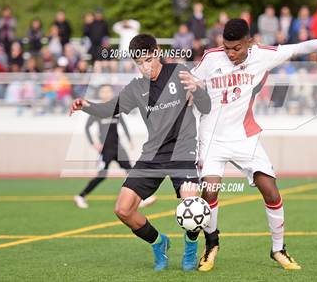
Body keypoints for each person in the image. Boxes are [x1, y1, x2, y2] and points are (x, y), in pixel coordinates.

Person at [191, 18, 317, 271]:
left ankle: (278, 249)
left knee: (270, 190)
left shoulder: (262, 55)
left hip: (245, 137)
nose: (230, 53)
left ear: (249, 43)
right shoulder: (211, 58)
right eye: (226, 47)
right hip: (211, 139)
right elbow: (191, 83)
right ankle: (211, 245)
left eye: (236, 48)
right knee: (210, 191)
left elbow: (297, 48)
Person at [69, 34, 211, 271]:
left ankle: (190, 248)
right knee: (123, 209)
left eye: (147, 60)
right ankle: (159, 243)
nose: (144, 67)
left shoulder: (179, 71)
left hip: (182, 151)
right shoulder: (136, 88)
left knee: (193, 206)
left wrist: (197, 90)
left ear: (156, 53)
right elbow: (108, 110)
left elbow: (205, 107)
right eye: (139, 63)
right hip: (152, 155)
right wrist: (87, 106)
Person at [74, 84, 156, 209]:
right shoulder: (97, 111)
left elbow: (123, 125)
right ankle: (81, 196)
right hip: (106, 150)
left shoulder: (116, 109)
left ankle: (141, 198)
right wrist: (94, 143)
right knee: (101, 175)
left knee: (131, 172)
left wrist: (129, 140)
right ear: (99, 94)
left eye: (108, 91)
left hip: (119, 148)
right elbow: (87, 128)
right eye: (103, 91)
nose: (106, 94)